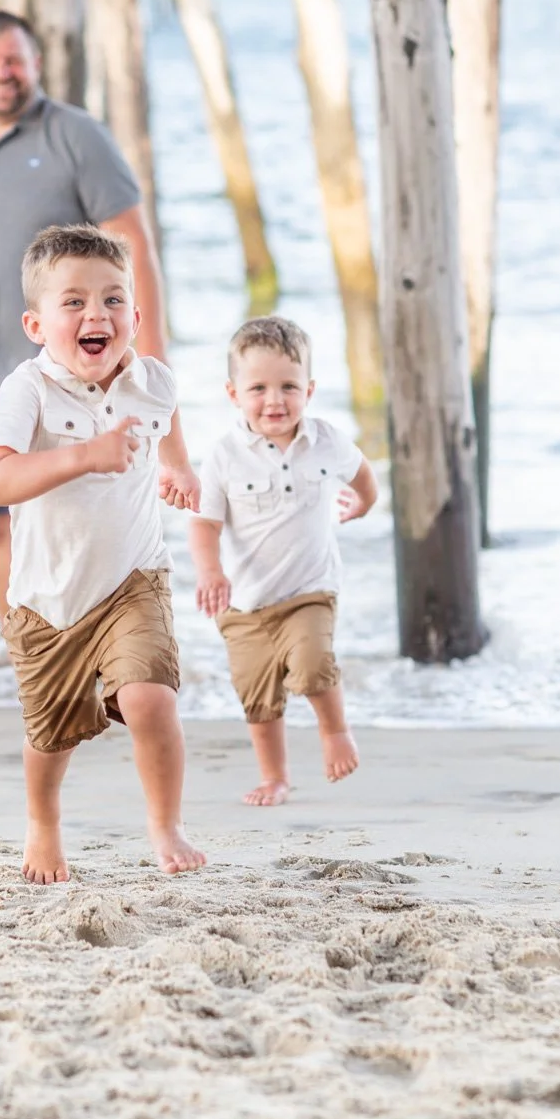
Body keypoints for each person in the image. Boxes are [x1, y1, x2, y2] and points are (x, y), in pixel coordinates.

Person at [0, 11, 168, 621]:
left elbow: (133, 250)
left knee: (88, 517)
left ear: (37, 64)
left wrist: (147, 360)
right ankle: (27, 658)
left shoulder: (78, 137)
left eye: (14, 60)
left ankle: (104, 645)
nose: (3, 73)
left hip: (76, 375)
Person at [0, 224, 206, 884]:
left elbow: (166, 411)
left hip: (135, 578)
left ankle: (165, 824)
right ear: (36, 324)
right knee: (52, 736)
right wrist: (84, 456)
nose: (94, 314)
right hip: (47, 599)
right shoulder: (29, 389)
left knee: (151, 700)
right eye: (73, 302)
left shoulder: (152, 378)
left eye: (111, 300)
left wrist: (178, 468)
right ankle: (44, 823)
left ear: (134, 316)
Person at [187, 316, 377, 806]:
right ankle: (275, 776)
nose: (275, 400)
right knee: (257, 696)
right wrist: (210, 571)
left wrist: (364, 504)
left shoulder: (327, 440)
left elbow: (364, 475)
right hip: (245, 603)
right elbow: (204, 524)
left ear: (309, 389)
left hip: (309, 591)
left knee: (313, 663)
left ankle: (334, 731)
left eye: (289, 386)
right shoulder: (225, 456)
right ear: (233, 393)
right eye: (259, 388)